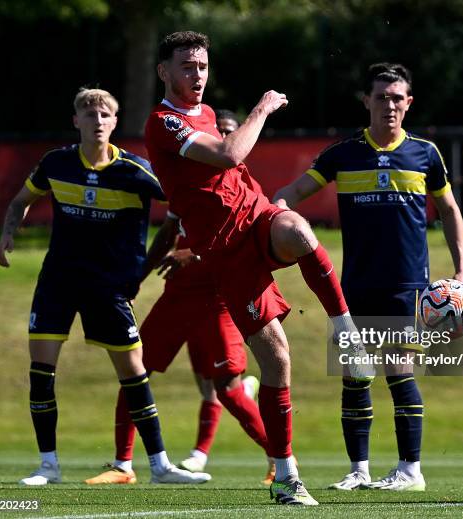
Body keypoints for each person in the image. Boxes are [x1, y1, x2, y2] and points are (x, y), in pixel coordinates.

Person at [144, 31, 368, 506]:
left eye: (202, 66)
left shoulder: (203, 113)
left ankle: (345, 331)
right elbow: (230, 154)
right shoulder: (163, 123)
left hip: (258, 218)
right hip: (226, 254)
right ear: (163, 72)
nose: (197, 75)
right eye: (186, 66)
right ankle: (286, 475)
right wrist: (262, 108)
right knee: (278, 360)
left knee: (301, 232)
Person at [0, 88, 210, 486]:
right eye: (89, 113)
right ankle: (48, 466)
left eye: (105, 114)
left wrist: (190, 247)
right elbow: (20, 200)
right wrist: (8, 234)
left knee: (134, 373)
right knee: (41, 371)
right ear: (75, 120)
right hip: (58, 282)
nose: (97, 120)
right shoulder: (56, 163)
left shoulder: (137, 171)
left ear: (115, 122)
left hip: (111, 289)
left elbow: (191, 202)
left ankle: (160, 465)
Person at [274, 63, 463, 492]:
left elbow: (451, 211)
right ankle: (358, 470)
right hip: (355, 286)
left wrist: (461, 272)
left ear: (409, 103)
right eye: (381, 97)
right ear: (367, 101)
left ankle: (410, 471)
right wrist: (278, 219)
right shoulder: (343, 154)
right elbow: (290, 194)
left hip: (407, 286)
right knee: (355, 375)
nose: (390, 105)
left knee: (400, 370)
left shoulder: (425, 154)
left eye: (398, 97)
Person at [85, 111, 276, 486]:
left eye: (227, 134)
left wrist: (194, 255)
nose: (220, 138)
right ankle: (122, 465)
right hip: (181, 293)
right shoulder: (187, 181)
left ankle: (280, 458)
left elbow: (245, 241)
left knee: (228, 388)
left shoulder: (245, 187)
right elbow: (168, 234)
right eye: (216, 132)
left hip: (221, 295)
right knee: (135, 368)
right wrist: (136, 279)